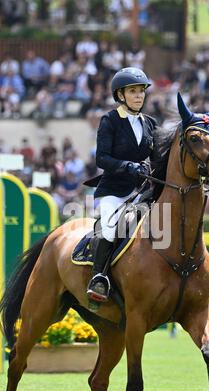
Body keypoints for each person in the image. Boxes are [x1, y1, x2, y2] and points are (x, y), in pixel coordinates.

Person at [86, 67, 157, 303]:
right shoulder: (110, 120)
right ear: (121, 95)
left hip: (143, 191)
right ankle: (99, 277)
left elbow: (157, 157)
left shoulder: (150, 123)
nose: (139, 96)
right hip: (115, 190)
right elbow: (102, 158)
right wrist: (128, 166)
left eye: (141, 91)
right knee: (108, 227)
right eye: (133, 91)